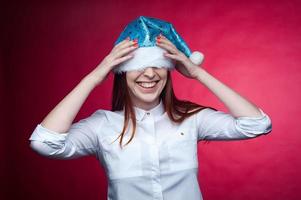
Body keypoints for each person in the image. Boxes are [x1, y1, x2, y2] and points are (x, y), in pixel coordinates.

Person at [28, 16, 272, 200]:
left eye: (157, 65)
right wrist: (94, 77)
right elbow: (44, 142)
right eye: (138, 66)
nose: (149, 74)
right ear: (122, 74)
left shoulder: (190, 119)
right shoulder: (102, 125)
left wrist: (197, 72)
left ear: (168, 70)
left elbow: (257, 124)